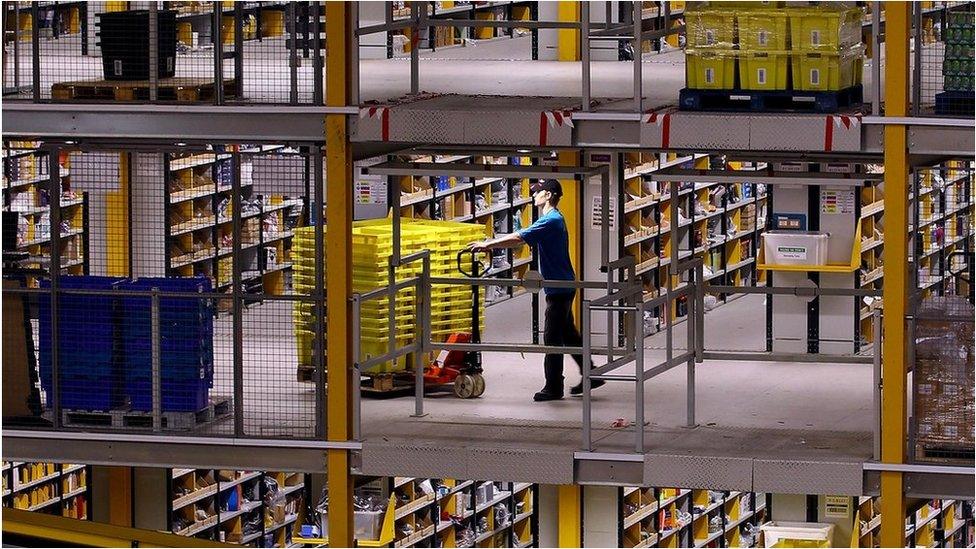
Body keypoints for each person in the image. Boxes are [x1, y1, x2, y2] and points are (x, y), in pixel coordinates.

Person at [467, 179, 605, 401]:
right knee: (568, 334)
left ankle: (553, 387)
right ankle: (592, 373)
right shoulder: (550, 218)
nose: (533, 196)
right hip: (561, 285)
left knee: (552, 338)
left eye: (537, 192)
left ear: (549, 195)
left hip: (560, 288)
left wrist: (487, 245)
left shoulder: (551, 220)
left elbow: (519, 238)